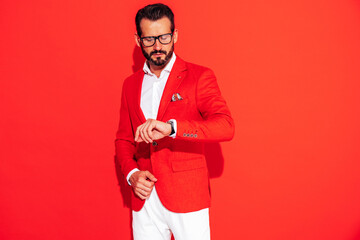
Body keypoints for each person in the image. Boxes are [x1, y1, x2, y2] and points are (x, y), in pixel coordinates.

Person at [115, 3, 234, 240]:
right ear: (138, 40)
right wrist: (132, 175)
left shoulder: (199, 76)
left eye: (164, 37)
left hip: (187, 195)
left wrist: (172, 128)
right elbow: (123, 139)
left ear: (175, 35)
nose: (158, 46)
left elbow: (226, 126)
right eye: (149, 39)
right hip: (145, 201)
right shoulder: (130, 85)